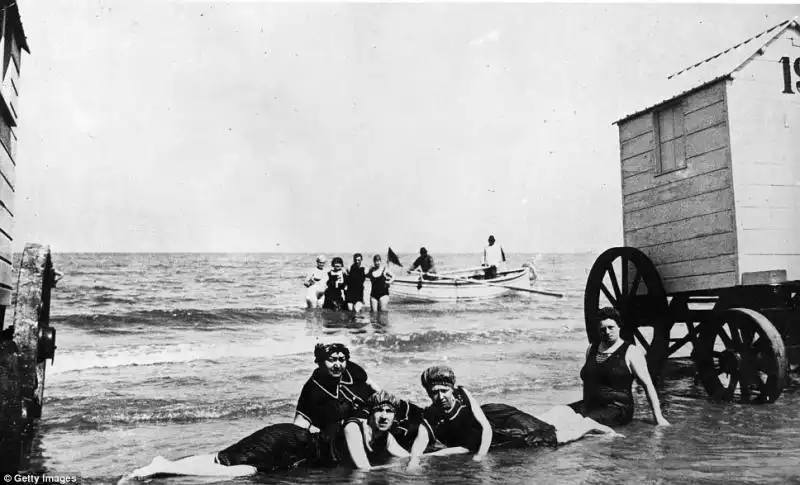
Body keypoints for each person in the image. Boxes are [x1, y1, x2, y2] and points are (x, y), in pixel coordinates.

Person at [407, 365, 620, 467]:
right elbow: (420, 442)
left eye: (444, 391)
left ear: (452, 389)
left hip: (497, 422)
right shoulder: (431, 413)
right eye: (434, 392)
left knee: (549, 438)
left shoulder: (463, 393)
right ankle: (568, 415)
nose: (440, 396)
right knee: (541, 424)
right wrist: (413, 462)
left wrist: (481, 456)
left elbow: (486, 428)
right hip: (486, 433)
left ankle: (587, 425)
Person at [570, 307, 670, 427]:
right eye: (603, 329)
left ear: (619, 326)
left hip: (618, 409)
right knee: (559, 413)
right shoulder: (592, 349)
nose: (607, 332)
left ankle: (606, 432)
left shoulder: (631, 352)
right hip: (591, 405)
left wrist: (658, 417)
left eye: (611, 327)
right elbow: (589, 380)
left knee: (579, 423)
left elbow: (647, 385)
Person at [121, 423, 317, 480]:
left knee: (220, 458)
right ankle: (165, 467)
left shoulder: (303, 434)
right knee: (246, 470)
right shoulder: (308, 444)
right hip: (257, 452)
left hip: (256, 443)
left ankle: (164, 464)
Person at [293, 342, 380, 434]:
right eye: (332, 360)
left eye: (342, 360)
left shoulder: (351, 369)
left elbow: (371, 386)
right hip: (344, 432)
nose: (338, 365)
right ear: (319, 362)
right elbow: (301, 422)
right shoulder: (312, 389)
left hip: (373, 416)